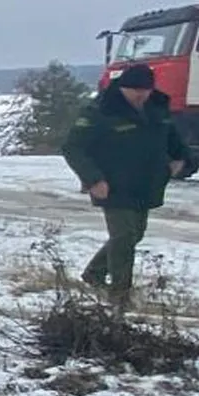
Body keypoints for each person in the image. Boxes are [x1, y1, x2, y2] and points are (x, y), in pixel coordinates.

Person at [59, 63, 189, 306]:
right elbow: (73, 147)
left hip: (147, 183)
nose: (141, 95)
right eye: (135, 91)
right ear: (122, 88)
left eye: (145, 90)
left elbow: (171, 137)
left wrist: (180, 157)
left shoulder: (157, 107)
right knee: (123, 236)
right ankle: (120, 295)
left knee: (135, 234)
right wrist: (92, 179)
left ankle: (94, 272)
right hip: (112, 183)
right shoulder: (101, 109)